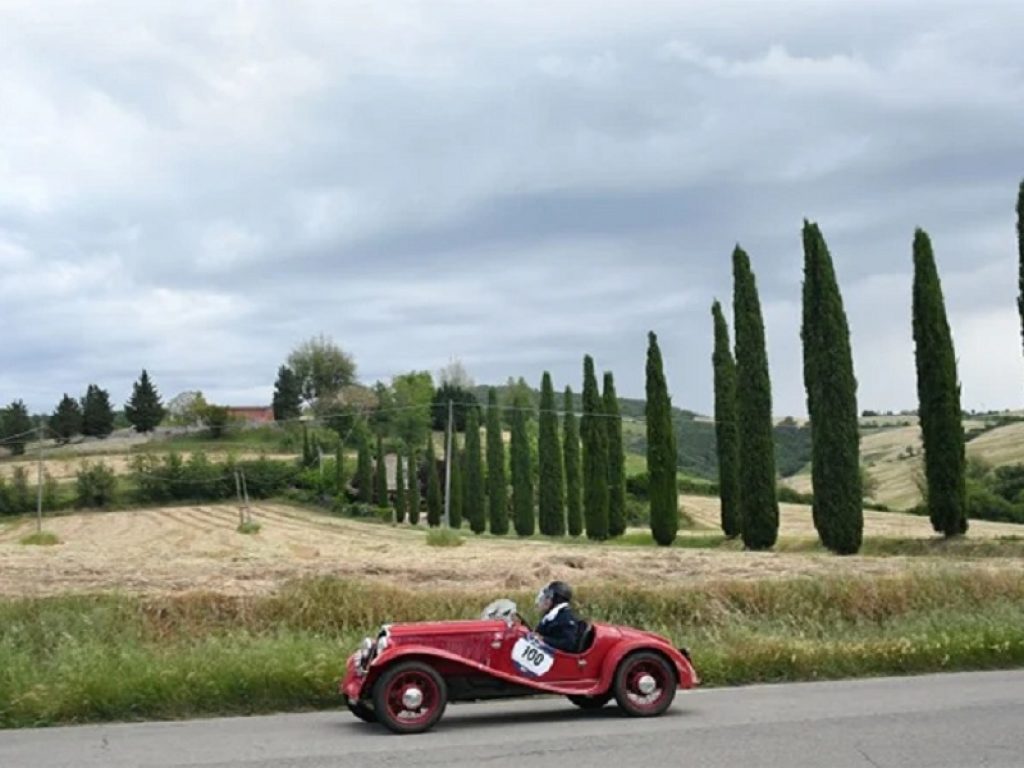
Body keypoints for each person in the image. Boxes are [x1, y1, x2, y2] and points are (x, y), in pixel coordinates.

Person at [534, 580, 581, 653]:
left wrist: (543, 639)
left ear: (556, 600)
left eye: (548, 597)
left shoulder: (566, 618)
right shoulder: (552, 616)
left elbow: (569, 643)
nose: (544, 599)